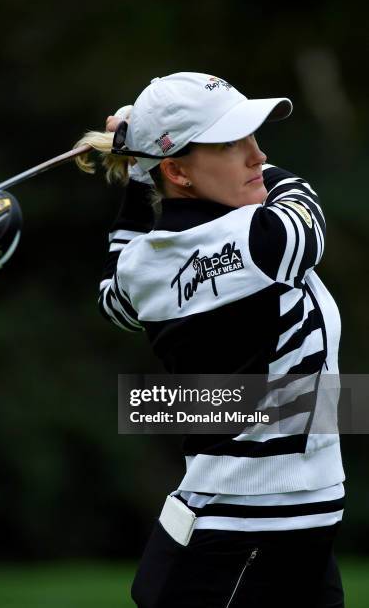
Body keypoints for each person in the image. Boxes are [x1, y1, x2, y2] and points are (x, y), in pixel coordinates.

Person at [74, 72, 345, 608]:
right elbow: (303, 215)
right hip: (244, 537)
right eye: (231, 143)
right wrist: (141, 155)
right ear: (177, 171)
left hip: (280, 526)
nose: (257, 155)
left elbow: (113, 292)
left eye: (253, 137)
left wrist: (138, 172)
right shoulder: (256, 236)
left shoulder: (143, 265)